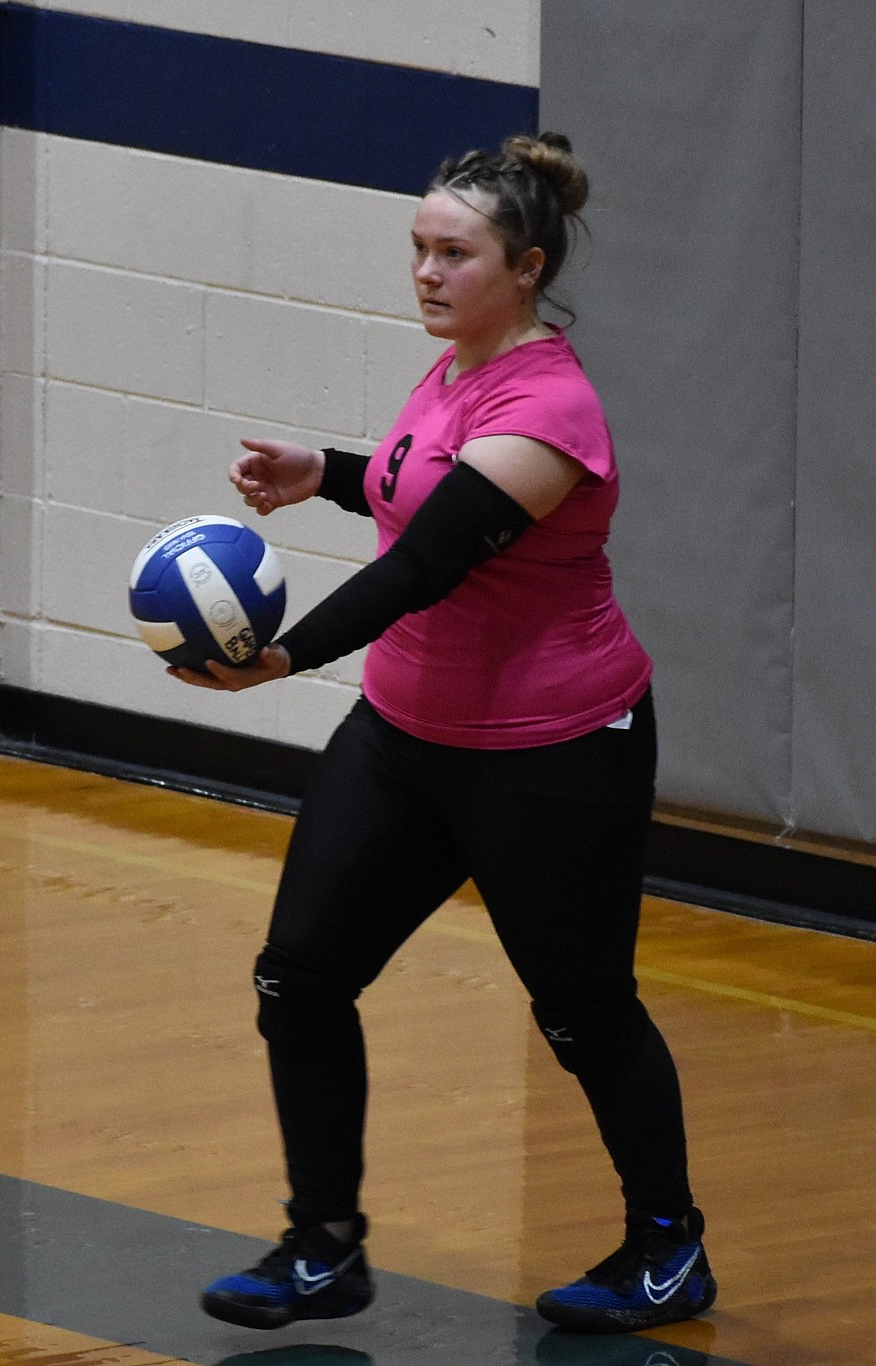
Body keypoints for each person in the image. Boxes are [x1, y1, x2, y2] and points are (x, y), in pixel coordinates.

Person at [169, 131, 716, 1336]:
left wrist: (282, 657)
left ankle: (667, 1246)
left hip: (555, 750)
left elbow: (434, 555)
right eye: (417, 248)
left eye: (452, 253)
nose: (424, 272)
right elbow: (422, 485)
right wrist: (330, 472)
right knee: (300, 978)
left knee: (583, 1012)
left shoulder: (553, 406)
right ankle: (324, 1246)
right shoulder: (461, 371)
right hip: (410, 735)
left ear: (523, 266)